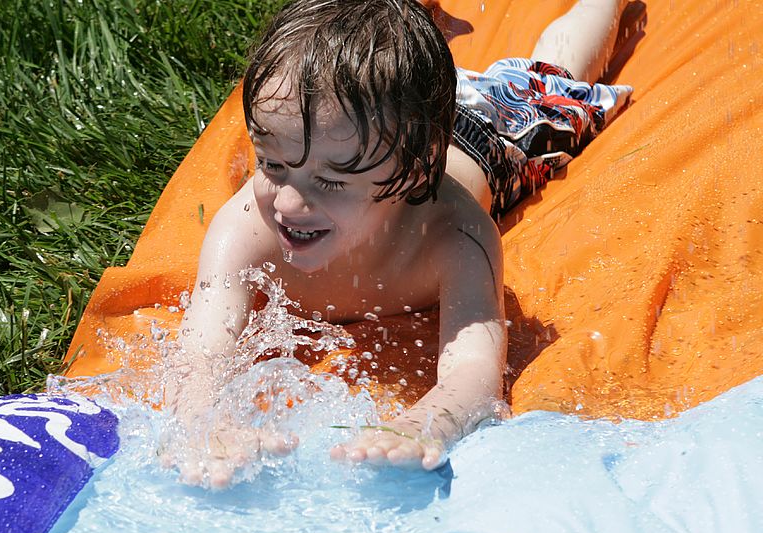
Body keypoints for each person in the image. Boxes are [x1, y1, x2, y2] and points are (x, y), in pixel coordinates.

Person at [165, 0, 633, 488]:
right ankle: (418, 31)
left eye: (329, 183)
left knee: (554, 78)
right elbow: (201, 353)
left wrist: (424, 423)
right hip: (379, 126)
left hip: (485, 130)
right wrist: (206, 425)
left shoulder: (455, 238)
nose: (287, 203)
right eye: (272, 164)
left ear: (412, 175)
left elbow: (475, 369)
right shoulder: (244, 230)